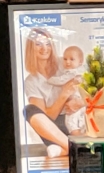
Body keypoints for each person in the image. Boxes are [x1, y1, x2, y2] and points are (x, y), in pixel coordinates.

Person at [22, 29, 80, 157]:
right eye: (38, 44)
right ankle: (76, 148)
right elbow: (47, 117)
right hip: (54, 129)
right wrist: (64, 94)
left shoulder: (64, 63)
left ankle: (65, 149)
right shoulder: (31, 81)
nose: (44, 48)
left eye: (47, 44)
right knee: (29, 109)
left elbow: (87, 84)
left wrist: (79, 102)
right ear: (31, 49)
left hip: (76, 120)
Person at [46, 45, 87, 136]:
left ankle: (77, 137)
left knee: (70, 122)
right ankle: (81, 135)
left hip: (75, 102)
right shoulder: (80, 73)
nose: (68, 62)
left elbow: (61, 80)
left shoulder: (73, 73)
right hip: (80, 104)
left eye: (72, 59)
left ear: (80, 62)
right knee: (80, 122)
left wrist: (49, 79)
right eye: (65, 59)